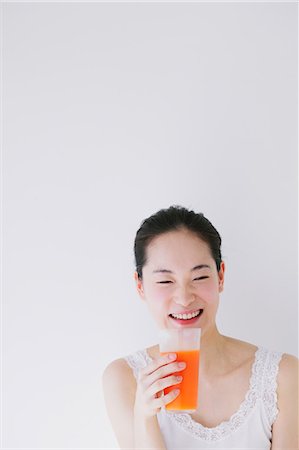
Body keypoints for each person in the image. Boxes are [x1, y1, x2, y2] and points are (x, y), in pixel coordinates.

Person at [102, 205, 298, 449]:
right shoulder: (125, 377)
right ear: (140, 286)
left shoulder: (283, 375)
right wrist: (144, 416)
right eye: (165, 281)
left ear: (221, 277)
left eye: (199, 277)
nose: (184, 298)